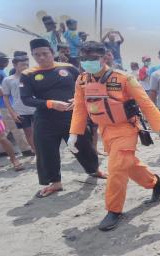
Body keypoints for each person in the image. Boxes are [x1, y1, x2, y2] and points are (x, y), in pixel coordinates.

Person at [69, 41, 160, 231]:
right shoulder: (82, 80)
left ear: (104, 57)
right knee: (128, 163)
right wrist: (74, 133)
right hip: (105, 130)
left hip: (126, 128)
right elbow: (79, 108)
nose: (87, 62)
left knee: (117, 167)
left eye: (92, 58)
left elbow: (145, 103)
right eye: (83, 59)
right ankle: (157, 185)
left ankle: (113, 210)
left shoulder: (123, 78)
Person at [20, 38, 104, 198]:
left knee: (84, 145)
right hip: (45, 119)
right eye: (37, 55)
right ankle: (55, 183)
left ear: (52, 53)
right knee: (47, 151)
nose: (41, 57)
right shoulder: (28, 74)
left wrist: (77, 99)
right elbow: (26, 99)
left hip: (71, 116)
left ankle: (94, 170)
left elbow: (85, 85)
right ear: (32, 56)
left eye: (45, 53)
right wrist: (50, 103)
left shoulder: (69, 68)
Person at [0, 52, 33, 157]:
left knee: (3, 128)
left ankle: (0, 151)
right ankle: (26, 149)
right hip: (5, 104)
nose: (6, 62)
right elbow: (0, 91)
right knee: (17, 129)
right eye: (5, 60)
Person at [2, 54, 36, 154]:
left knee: (38, 132)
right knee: (28, 132)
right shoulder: (8, 80)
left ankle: (40, 150)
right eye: (22, 65)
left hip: (35, 109)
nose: (25, 67)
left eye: (27, 65)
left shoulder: (32, 76)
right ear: (14, 65)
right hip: (20, 111)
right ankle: (35, 151)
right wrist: (12, 113)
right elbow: (6, 97)